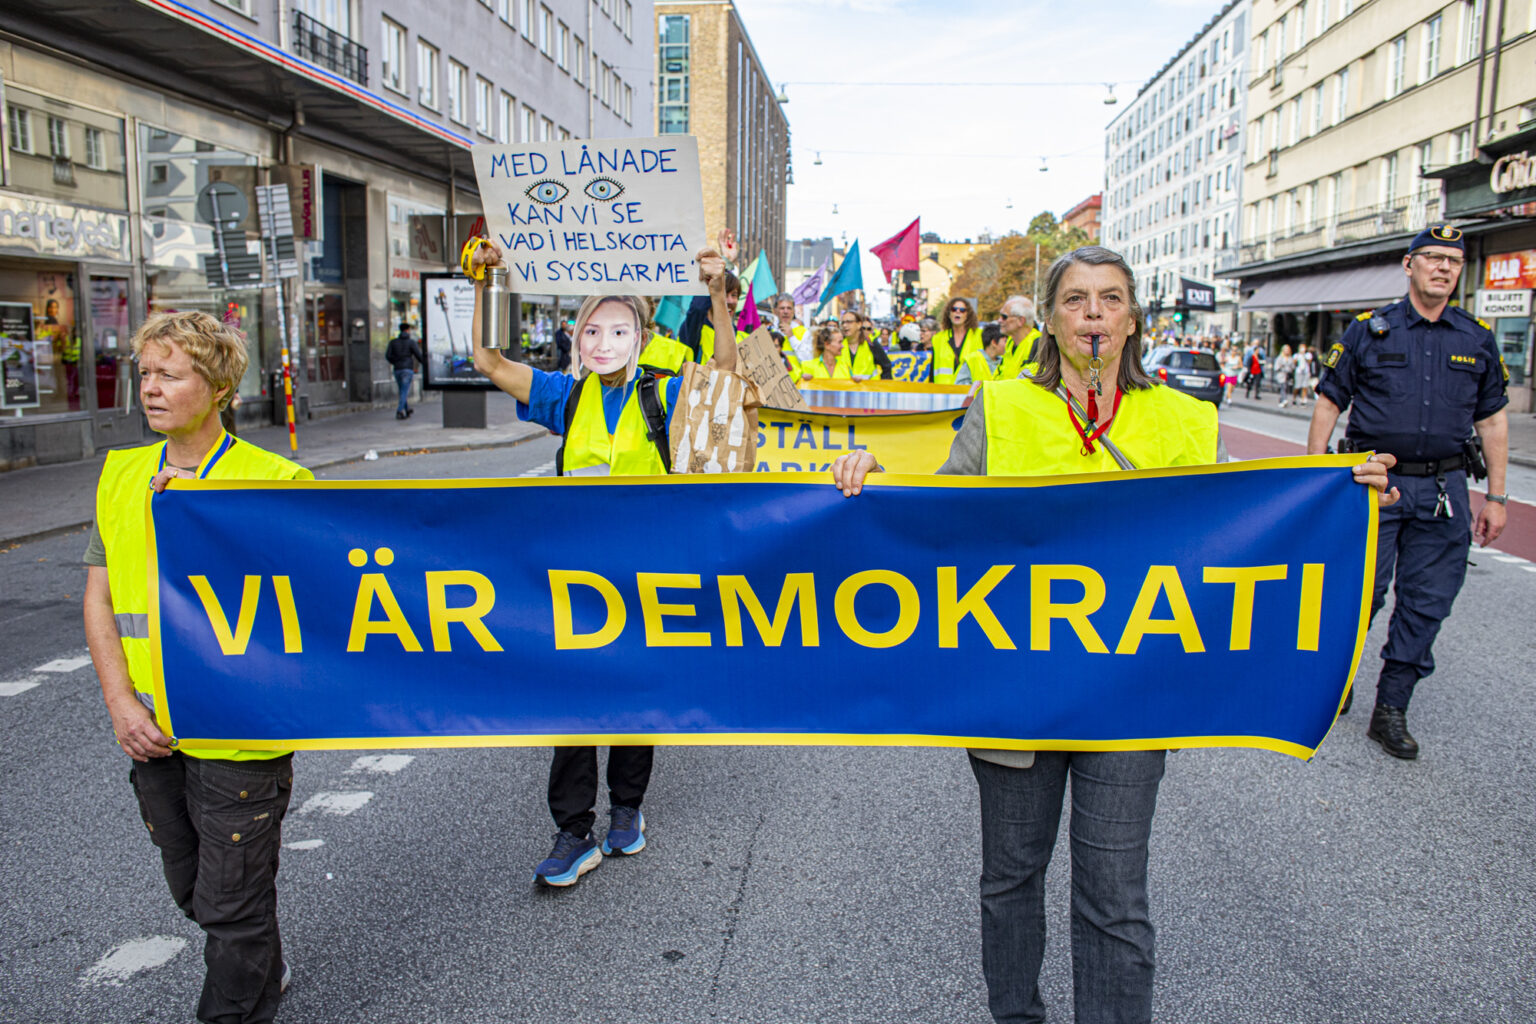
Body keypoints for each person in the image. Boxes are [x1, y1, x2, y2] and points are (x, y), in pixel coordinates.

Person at [831, 245, 1397, 1024]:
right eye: (1075, 299)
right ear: (1053, 320)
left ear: (1132, 320)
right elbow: (935, 520)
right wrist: (870, 482)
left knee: (1113, 893)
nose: (1092, 312)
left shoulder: (1182, 418)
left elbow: (1245, 519)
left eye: (1109, 299)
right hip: (1014, 697)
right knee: (1011, 876)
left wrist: (1336, 488)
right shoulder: (999, 407)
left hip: (1130, 697)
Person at [468, 237, 749, 885]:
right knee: (573, 703)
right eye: (591, 329)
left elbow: (728, 382)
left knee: (632, 697)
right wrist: (487, 282)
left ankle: (628, 808)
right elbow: (487, 360)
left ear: (641, 338)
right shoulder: (564, 396)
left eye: (618, 330)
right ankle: (573, 830)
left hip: (650, 576)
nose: (602, 341)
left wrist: (715, 295)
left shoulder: (667, 394)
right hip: (576, 581)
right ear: (577, 338)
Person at [83, 311, 313, 1024]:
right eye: (144, 374)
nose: (150, 389)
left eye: (169, 375)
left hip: (240, 732)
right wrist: (121, 704)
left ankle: (240, 997)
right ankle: (261, 965)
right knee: (196, 891)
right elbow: (99, 599)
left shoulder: (276, 479)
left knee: (230, 908)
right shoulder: (123, 473)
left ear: (216, 388)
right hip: (153, 727)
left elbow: (320, 603)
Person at [1308, 223, 1509, 759]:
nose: (1443, 267)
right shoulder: (1368, 331)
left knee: (1426, 604)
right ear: (1409, 265)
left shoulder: (1477, 338)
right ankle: (1337, 682)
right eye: (1432, 257)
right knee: (1358, 593)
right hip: (1372, 485)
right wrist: (1313, 478)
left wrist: (1498, 497)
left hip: (1444, 491)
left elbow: (1492, 422)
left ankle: (1391, 708)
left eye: (1452, 260)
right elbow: (1330, 402)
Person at [931, 298, 983, 383]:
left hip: (969, 390)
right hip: (943, 391)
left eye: (962, 310)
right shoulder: (938, 338)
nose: (957, 312)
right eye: (954, 309)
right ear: (949, 314)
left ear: (967, 315)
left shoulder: (979, 335)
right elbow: (932, 369)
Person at [837, 309, 894, 380]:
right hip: (845, 390)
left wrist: (882, 387)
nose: (845, 325)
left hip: (868, 390)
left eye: (849, 322)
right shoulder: (838, 344)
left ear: (859, 324)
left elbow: (886, 366)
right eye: (842, 323)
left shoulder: (871, 343)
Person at [385, 320, 424, 419]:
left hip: (397, 369)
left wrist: (395, 362)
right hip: (407, 369)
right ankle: (399, 411)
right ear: (407, 330)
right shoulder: (411, 342)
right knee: (404, 390)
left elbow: (388, 355)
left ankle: (407, 409)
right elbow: (418, 355)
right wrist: (425, 364)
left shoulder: (393, 342)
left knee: (402, 390)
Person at [996, 296, 1041, 379]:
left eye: (1004, 317)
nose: (999, 320)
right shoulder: (1010, 343)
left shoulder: (1039, 345)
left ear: (1021, 321)